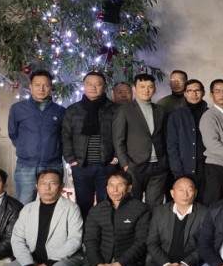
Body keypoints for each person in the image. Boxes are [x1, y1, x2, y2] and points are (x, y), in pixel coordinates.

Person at [62, 71, 119, 219]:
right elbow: (65, 136)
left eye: (98, 84)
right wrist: (71, 160)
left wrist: (116, 159)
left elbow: (122, 135)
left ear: (104, 86)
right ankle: (85, 238)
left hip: (106, 165)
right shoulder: (73, 110)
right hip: (81, 166)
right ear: (83, 86)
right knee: (83, 204)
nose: (93, 87)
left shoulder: (114, 109)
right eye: (89, 84)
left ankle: (104, 238)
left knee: (106, 204)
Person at [8, 70, 65, 203]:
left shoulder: (60, 111)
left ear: (51, 87)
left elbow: (63, 136)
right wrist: (26, 149)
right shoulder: (18, 109)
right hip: (26, 165)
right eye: (37, 85)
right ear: (31, 87)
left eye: (45, 85)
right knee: (25, 204)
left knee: (53, 203)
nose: (41, 88)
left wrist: (54, 151)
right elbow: (13, 133)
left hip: (53, 165)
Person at [113, 73, 169, 207]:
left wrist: (165, 161)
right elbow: (118, 139)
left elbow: (165, 137)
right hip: (135, 165)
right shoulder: (124, 110)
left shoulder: (160, 110)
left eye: (150, 87)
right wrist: (125, 164)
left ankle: (152, 228)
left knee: (155, 205)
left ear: (154, 89)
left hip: (158, 166)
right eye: (142, 86)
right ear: (134, 88)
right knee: (133, 204)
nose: (146, 90)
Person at [166, 79, 208, 194]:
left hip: (207, 167)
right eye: (189, 91)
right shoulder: (176, 115)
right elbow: (172, 145)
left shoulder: (210, 114)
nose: (194, 94)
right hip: (185, 166)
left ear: (203, 93)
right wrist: (177, 171)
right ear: (185, 94)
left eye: (197, 90)